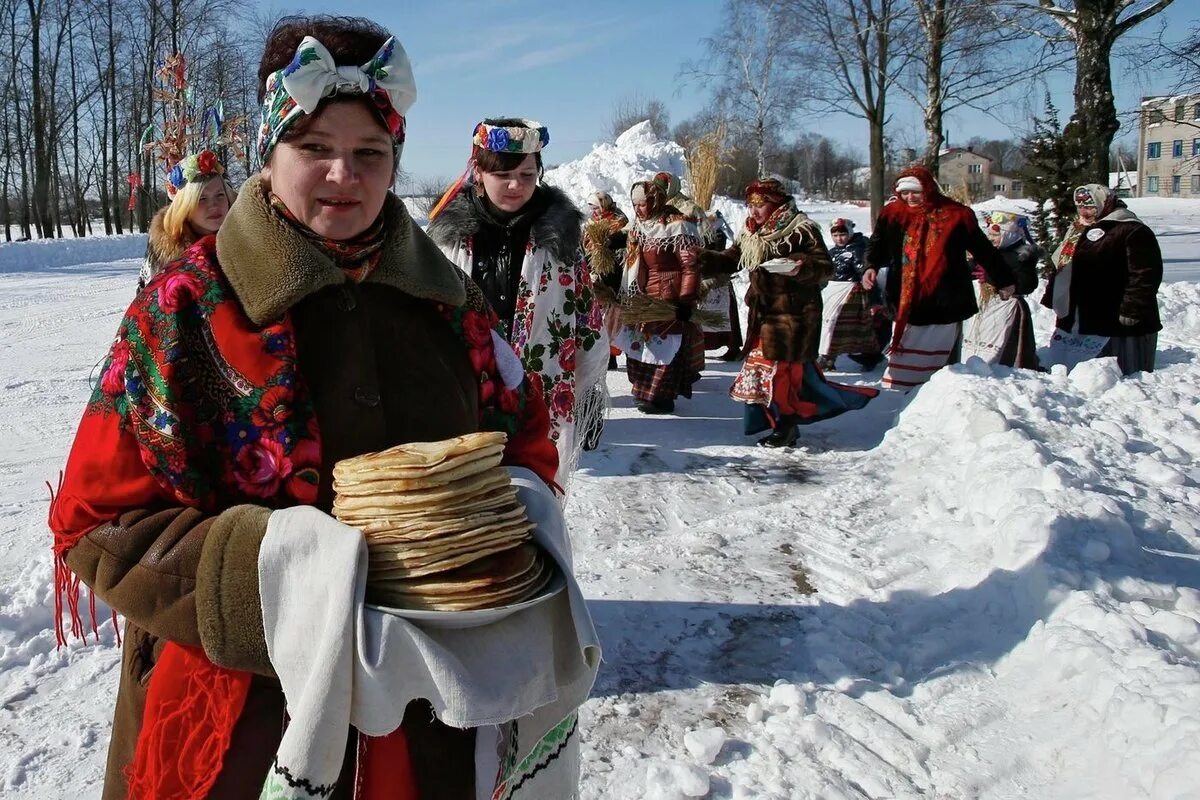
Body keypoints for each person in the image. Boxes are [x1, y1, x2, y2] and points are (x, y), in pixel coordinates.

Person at [49, 16, 591, 800]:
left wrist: (488, 527)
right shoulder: (184, 311)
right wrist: (278, 579)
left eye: (370, 153)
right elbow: (92, 523)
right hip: (242, 722)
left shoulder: (452, 306)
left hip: (430, 718)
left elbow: (528, 447)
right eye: (314, 150)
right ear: (268, 158)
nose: (345, 174)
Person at [427, 118, 608, 485]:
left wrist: (588, 389)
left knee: (533, 499)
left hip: (540, 394)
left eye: (527, 175)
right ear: (478, 173)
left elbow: (585, 315)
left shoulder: (561, 241)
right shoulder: (447, 241)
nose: (516, 185)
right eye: (504, 175)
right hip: (465, 392)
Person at [702, 179, 877, 447]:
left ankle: (786, 427)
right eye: (751, 205)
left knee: (781, 374)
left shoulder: (801, 229)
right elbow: (733, 258)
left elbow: (824, 267)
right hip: (764, 314)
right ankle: (775, 422)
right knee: (765, 372)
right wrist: (702, 258)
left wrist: (800, 267)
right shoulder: (751, 232)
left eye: (760, 205)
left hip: (794, 315)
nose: (754, 211)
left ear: (776, 204)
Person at [863, 166, 1016, 390]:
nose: (910, 197)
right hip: (907, 297)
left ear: (928, 188)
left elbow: (983, 249)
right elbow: (877, 243)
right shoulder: (893, 213)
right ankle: (900, 394)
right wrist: (871, 265)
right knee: (905, 355)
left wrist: (1003, 279)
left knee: (941, 366)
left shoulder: (957, 215)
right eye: (904, 192)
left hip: (944, 297)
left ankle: (937, 396)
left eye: (916, 191)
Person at [1042, 184, 1163, 375]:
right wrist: (1053, 295)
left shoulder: (1131, 229)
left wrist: (1132, 308)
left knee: (1116, 373)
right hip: (1082, 313)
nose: (1084, 212)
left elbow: (1144, 274)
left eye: (1090, 207)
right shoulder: (1078, 230)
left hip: (1118, 317)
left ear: (1104, 203)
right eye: (1080, 207)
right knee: (1079, 372)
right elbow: (1063, 266)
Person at [616, 175, 704, 414]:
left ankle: (662, 396)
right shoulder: (641, 226)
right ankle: (644, 392)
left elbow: (690, 266)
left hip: (668, 292)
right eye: (634, 204)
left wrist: (686, 299)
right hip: (643, 294)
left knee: (664, 345)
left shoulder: (677, 225)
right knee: (641, 343)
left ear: (656, 201)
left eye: (642, 204)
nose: (638, 209)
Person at [137, 149, 236, 290]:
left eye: (220, 195)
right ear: (184, 206)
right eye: (201, 198)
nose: (214, 205)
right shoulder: (165, 252)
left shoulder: (246, 238)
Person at [960, 210, 1042, 369]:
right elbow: (971, 270)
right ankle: (975, 365)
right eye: (989, 235)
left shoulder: (1021, 257)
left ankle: (1004, 368)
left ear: (1009, 235)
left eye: (996, 236)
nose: (991, 239)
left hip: (1008, 308)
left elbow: (1027, 284)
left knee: (1002, 343)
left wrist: (992, 277)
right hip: (988, 306)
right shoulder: (990, 253)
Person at [817, 218, 882, 371]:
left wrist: (873, 298)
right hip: (832, 291)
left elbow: (865, 273)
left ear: (850, 232)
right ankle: (828, 356)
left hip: (850, 293)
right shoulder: (832, 252)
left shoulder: (857, 250)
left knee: (835, 325)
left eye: (842, 234)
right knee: (828, 324)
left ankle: (829, 357)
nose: (839, 238)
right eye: (835, 235)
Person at [582, 191, 629, 371]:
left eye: (595, 207)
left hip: (612, 274)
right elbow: (584, 245)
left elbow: (624, 248)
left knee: (610, 318)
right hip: (592, 271)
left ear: (603, 205)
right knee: (595, 316)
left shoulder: (619, 222)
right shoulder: (590, 223)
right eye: (591, 207)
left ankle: (610, 355)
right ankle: (597, 353)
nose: (593, 211)